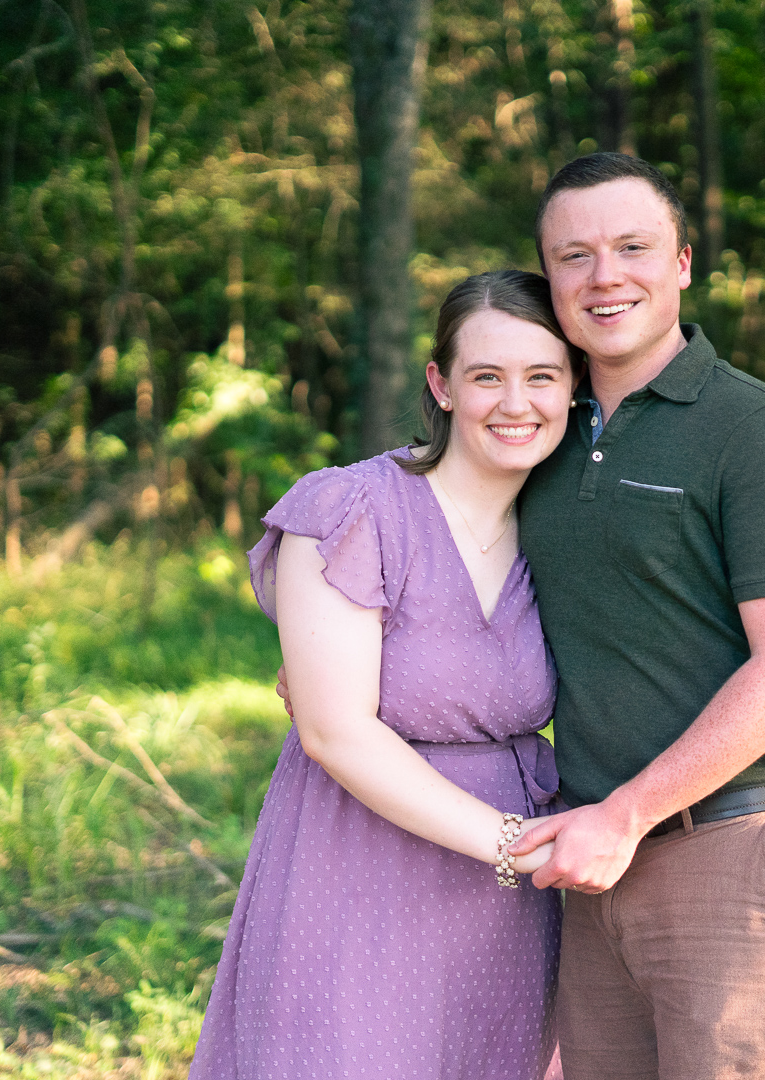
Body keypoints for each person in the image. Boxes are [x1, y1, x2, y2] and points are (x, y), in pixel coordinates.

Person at [189, 270, 578, 1080]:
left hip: (502, 910)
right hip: (357, 868)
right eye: (487, 377)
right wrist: (514, 846)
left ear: (573, 390)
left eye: (542, 376)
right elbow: (335, 731)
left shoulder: (563, 528)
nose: (517, 402)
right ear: (441, 385)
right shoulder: (351, 510)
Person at [507, 152, 765, 1079]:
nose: (604, 276)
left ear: (684, 263)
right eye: (574, 256)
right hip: (584, 858)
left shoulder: (757, 431)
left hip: (729, 848)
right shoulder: (533, 426)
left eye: (632, 247)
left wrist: (628, 812)